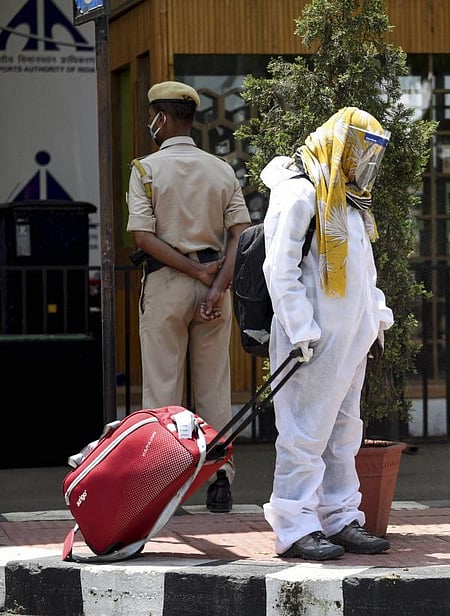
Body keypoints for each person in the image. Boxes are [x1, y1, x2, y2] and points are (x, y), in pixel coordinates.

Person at [260, 107, 394, 561]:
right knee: (303, 433)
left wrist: (376, 319)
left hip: (351, 341)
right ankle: (295, 526)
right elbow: (279, 270)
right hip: (312, 342)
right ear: (340, 145)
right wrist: (302, 331)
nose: (365, 163)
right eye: (361, 151)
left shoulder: (348, 201)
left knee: (343, 433)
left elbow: (365, 272)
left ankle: (339, 517)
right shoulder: (298, 193)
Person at [126, 81, 251, 513]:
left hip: (166, 285)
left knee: (163, 389)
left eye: (152, 116)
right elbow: (242, 235)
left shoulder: (145, 169)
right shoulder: (221, 170)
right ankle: (219, 478)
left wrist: (192, 269)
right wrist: (215, 286)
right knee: (214, 387)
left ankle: (164, 485)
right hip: (215, 286)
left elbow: (143, 237)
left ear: (160, 117)